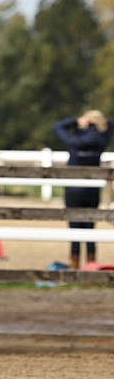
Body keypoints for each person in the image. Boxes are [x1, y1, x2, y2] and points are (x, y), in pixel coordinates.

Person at [53, 110, 112, 269]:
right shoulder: (103, 138)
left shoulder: (75, 140)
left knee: (75, 230)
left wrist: (75, 120)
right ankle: (91, 265)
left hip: (73, 190)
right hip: (92, 191)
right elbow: (110, 125)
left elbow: (57, 127)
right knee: (90, 229)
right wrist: (100, 121)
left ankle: (75, 266)